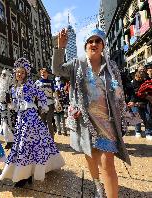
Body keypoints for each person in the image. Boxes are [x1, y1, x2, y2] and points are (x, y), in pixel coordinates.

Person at [52, 28, 131, 198]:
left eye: (97, 41)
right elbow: (57, 70)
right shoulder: (76, 64)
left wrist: (123, 116)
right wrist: (60, 48)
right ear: (85, 45)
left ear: (103, 45)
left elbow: (119, 93)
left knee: (107, 163)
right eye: (90, 41)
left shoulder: (112, 66)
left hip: (106, 124)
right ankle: (97, 186)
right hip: (85, 122)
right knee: (91, 157)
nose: (93, 44)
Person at [0, 58, 65, 188]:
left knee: (26, 144)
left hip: (31, 118)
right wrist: (10, 104)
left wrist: (42, 107)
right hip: (20, 118)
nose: (20, 74)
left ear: (26, 74)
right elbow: (15, 104)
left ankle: (25, 176)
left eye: (22, 73)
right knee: (23, 145)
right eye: (18, 72)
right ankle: (26, 174)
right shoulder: (14, 88)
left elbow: (41, 96)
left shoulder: (31, 85)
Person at [0, 69, 15, 149]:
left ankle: (13, 141)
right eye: (2, 75)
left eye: (5, 75)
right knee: (4, 126)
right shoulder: (0, 87)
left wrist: (10, 102)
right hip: (3, 110)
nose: (3, 76)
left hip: (10, 110)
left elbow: (15, 96)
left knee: (11, 126)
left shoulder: (12, 86)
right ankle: (8, 141)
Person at [35, 68, 56, 139]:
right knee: (43, 122)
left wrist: (57, 101)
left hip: (50, 104)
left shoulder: (51, 82)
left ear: (47, 73)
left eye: (44, 72)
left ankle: (51, 140)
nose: (43, 73)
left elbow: (54, 92)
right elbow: (34, 94)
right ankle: (44, 140)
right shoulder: (37, 82)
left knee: (49, 121)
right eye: (41, 72)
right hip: (41, 105)